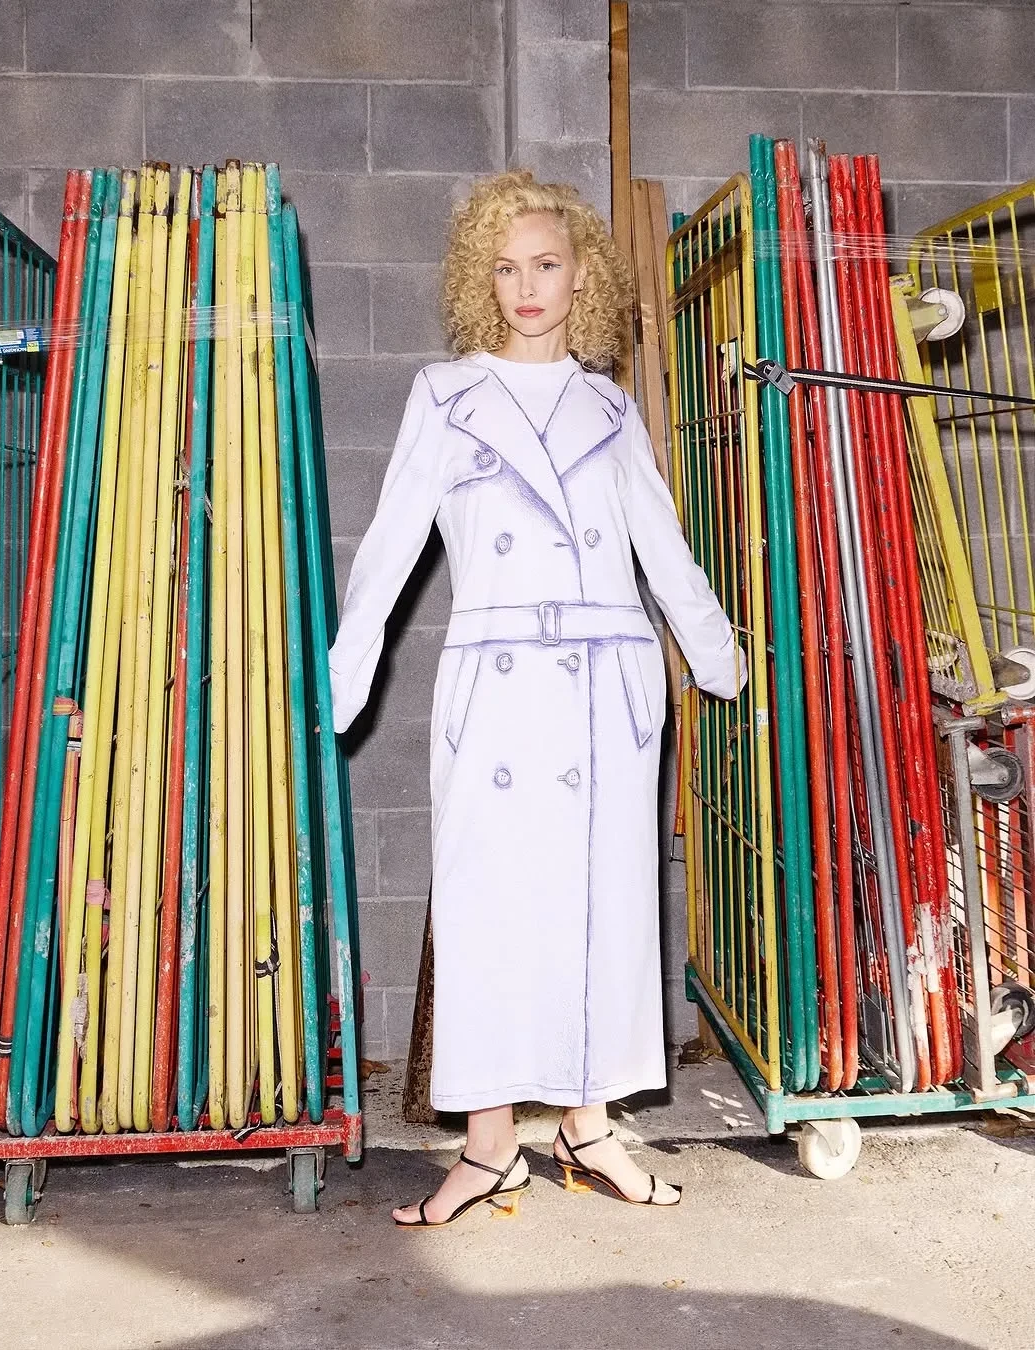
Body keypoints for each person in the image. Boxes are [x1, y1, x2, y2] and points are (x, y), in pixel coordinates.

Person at [328, 170, 745, 1229]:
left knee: (605, 911)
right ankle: (489, 1146)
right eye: (505, 267)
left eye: (546, 264)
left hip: (607, 683)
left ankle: (590, 1128)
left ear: (581, 276)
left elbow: (661, 543)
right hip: (499, 683)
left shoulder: (609, 405)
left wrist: (715, 654)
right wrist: (345, 672)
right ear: (481, 279)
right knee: (489, 913)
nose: (526, 286)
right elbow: (389, 547)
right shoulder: (445, 395)